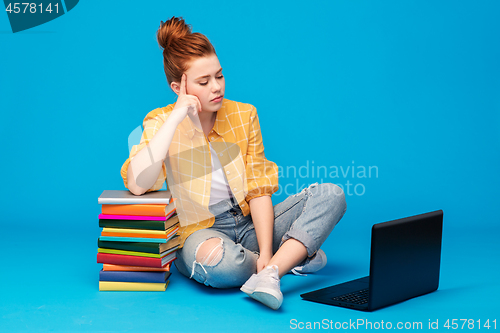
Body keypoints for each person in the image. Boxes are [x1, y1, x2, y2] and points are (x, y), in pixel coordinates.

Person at [120, 16, 347, 310]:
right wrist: (176, 117)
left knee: (332, 195)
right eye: (204, 81)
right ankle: (295, 256)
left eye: (219, 76)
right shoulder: (160, 122)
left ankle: (272, 271)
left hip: (252, 223)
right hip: (201, 233)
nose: (216, 87)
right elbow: (138, 185)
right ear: (178, 88)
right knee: (219, 265)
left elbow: (258, 188)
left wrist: (265, 251)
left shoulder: (244, 114)